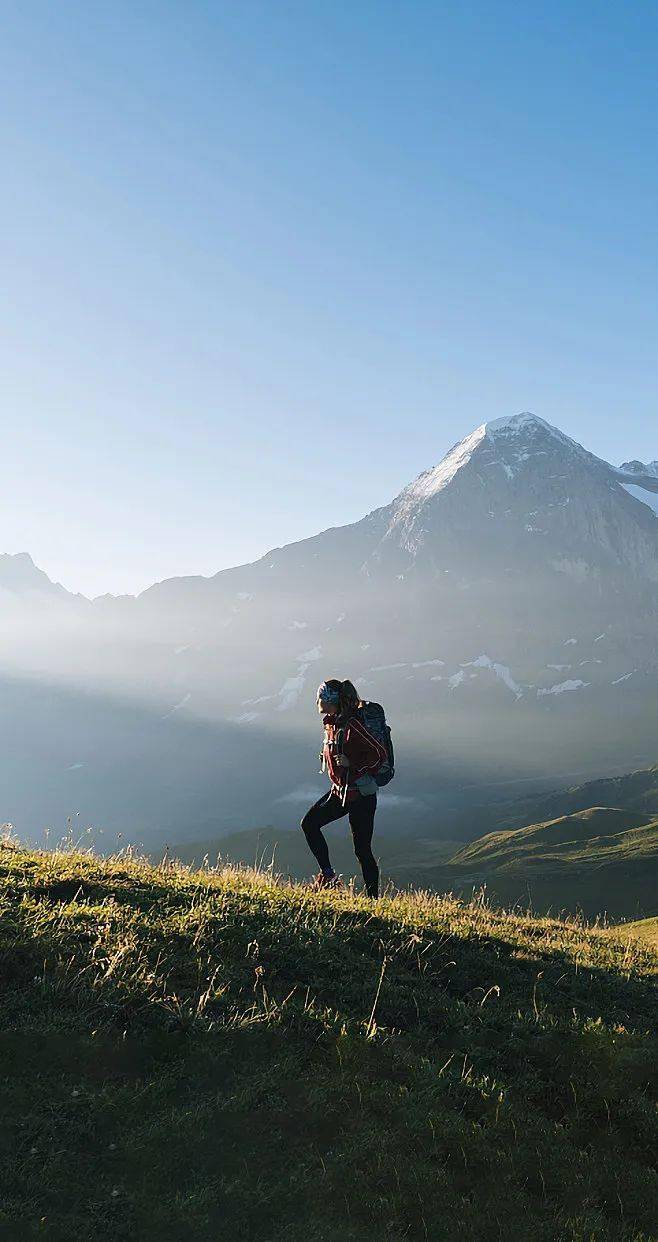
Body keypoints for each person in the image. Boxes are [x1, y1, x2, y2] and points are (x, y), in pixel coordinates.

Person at [300, 678, 388, 898]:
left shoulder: (353, 725)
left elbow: (379, 755)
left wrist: (353, 764)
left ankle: (373, 901)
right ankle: (328, 876)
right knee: (309, 824)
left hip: (361, 795)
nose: (320, 706)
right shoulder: (333, 723)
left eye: (323, 700)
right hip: (341, 791)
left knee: (362, 850)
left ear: (332, 701)